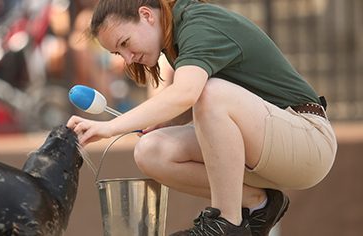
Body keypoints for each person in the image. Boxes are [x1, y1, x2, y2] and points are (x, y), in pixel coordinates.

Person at [66, 0, 337, 235]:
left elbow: (188, 93)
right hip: (266, 151)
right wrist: (164, 123)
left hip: (307, 141)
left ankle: (226, 223)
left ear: (147, 15)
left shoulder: (198, 25)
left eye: (125, 43)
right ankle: (258, 203)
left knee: (210, 93)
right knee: (151, 150)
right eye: (118, 52)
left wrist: (110, 127)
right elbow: (196, 102)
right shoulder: (174, 38)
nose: (127, 58)